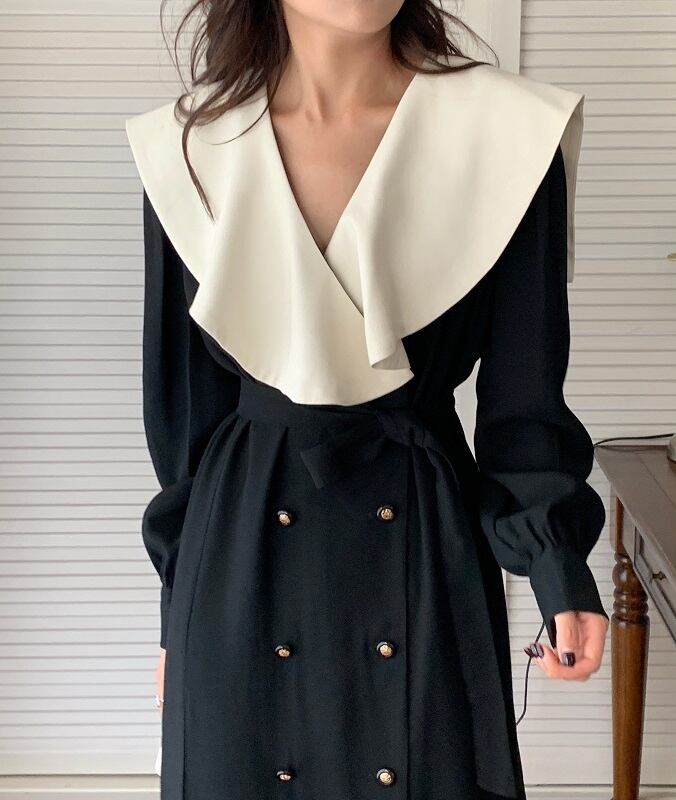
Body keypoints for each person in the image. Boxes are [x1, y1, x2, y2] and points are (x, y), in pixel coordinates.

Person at [125, 1, 610, 798]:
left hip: (423, 546)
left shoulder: (508, 137)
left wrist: (556, 565)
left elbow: (525, 402)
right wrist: (175, 615)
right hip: (239, 573)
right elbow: (186, 422)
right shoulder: (188, 150)